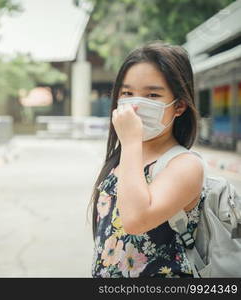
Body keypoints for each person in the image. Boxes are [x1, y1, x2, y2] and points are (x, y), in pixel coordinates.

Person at [89, 42, 206, 278]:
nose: (134, 105)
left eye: (152, 94)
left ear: (179, 105)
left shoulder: (185, 165)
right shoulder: (125, 158)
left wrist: (131, 141)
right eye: (127, 93)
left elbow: (135, 220)